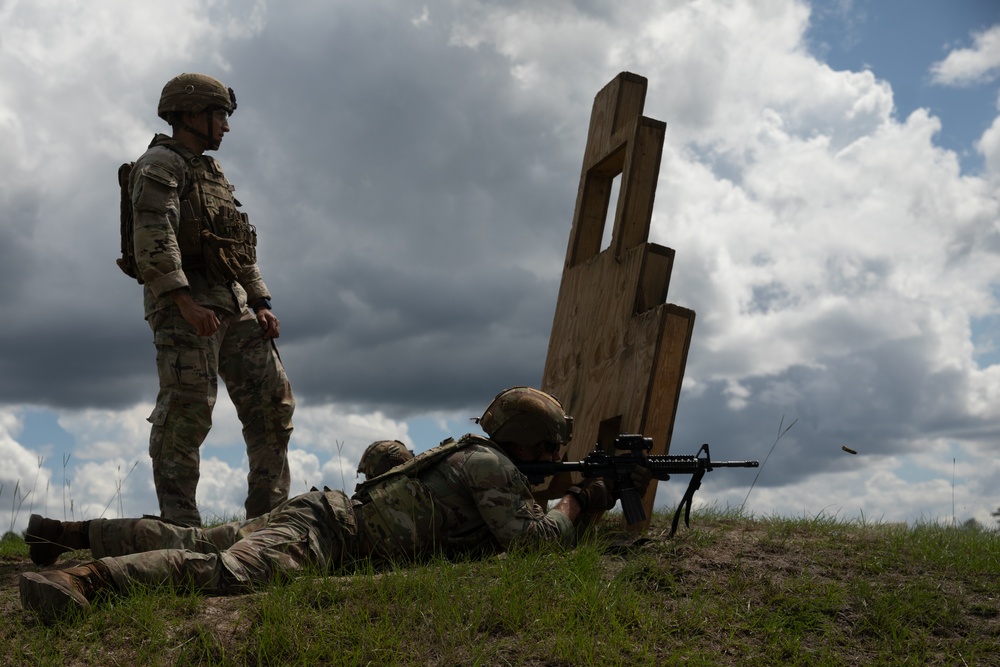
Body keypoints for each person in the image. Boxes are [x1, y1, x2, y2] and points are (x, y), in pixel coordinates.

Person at [20, 387, 649, 622]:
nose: (548, 458)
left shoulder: (476, 456)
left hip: (326, 515)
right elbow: (532, 545)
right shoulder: (492, 467)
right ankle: (84, 577)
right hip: (330, 535)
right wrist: (584, 502)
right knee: (225, 571)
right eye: (547, 448)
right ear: (530, 442)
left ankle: (66, 532)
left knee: (196, 541)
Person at [129, 73, 295, 526]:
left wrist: (260, 301)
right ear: (189, 114)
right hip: (189, 307)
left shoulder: (212, 172)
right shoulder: (160, 164)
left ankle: (269, 521)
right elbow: (153, 235)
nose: (225, 125)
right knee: (187, 410)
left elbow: (236, 241)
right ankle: (180, 525)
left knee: (272, 404)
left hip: (233, 303)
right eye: (219, 114)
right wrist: (183, 301)